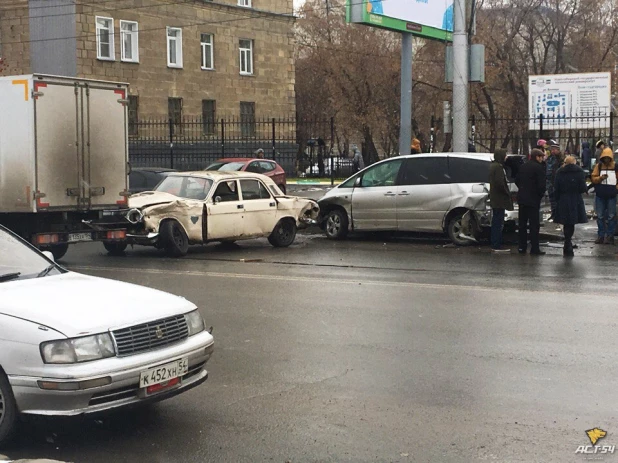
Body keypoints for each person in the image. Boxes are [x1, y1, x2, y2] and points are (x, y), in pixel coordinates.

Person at [554, 156, 587, 257]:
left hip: (563, 199)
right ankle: (568, 242)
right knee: (571, 222)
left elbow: (556, 187)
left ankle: (567, 242)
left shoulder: (560, 172)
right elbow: (582, 188)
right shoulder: (579, 171)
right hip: (575, 199)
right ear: (574, 162)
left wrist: (557, 199)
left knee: (565, 221)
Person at [516, 148, 547, 255]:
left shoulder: (523, 166)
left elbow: (517, 180)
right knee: (534, 225)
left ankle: (522, 247)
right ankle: (534, 248)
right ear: (537, 157)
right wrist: (539, 195)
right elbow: (541, 185)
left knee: (522, 225)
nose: (542, 159)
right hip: (533, 200)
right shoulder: (539, 168)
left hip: (522, 199)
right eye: (541, 157)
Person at [590, 147, 618, 244]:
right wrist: (600, 178)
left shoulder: (615, 166)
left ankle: (609, 236)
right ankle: (601, 235)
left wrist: (616, 189)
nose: (606, 160)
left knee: (611, 216)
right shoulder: (599, 166)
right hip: (601, 194)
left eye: (607, 158)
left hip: (610, 195)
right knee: (601, 216)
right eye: (604, 158)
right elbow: (593, 178)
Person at [488, 148, 513, 252]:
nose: (506, 157)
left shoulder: (493, 166)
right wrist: (506, 193)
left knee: (496, 221)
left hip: (495, 198)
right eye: (505, 155)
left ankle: (495, 243)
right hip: (499, 199)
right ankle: (496, 244)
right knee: (498, 222)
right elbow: (499, 183)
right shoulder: (498, 167)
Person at [546, 139, 564, 221]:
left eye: (554, 149)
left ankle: (558, 214)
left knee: (558, 200)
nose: (552, 151)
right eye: (551, 149)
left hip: (558, 182)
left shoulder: (561, 159)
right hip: (549, 182)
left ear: (558, 150)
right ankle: (553, 214)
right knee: (552, 199)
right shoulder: (550, 158)